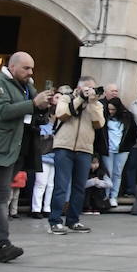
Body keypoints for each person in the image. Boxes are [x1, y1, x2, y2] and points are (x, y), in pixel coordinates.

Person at [0, 51, 54, 262]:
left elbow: (34, 111)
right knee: (0, 196)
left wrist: (44, 106)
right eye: (26, 68)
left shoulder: (26, 85)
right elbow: (2, 111)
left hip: (18, 147)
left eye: (32, 68)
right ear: (13, 67)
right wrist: (34, 104)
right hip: (0, 149)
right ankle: (2, 244)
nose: (30, 72)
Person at [48, 75, 105, 235]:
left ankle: (73, 220)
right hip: (64, 147)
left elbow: (99, 123)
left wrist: (92, 103)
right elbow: (62, 114)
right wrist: (80, 99)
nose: (90, 91)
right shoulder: (66, 98)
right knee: (61, 185)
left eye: (92, 88)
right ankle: (55, 221)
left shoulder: (96, 104)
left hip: (84, 149)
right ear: (79, 87)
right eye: (87, 88)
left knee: (79, 187)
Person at [101, 97, 136, 208]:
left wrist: (128, 146)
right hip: (108, 149)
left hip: (122, 149)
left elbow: (134, 132)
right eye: (109, 109)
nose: (111, 111)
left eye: (113, 109)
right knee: (108, 173)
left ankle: (113, 196)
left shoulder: (127, 117)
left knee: (117, 173)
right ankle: (106, 196)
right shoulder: (104, 116)